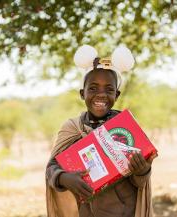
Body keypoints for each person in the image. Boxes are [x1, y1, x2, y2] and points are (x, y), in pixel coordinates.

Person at [46, 45, 155, 217]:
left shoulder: (127, 129)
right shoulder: (73, 128)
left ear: (117, 95)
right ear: (82, 93)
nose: (101, 94)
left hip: (125, 212)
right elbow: (51, 167)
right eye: (93, 88)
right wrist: (63, 178)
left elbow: (139, 181)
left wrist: (142, 171)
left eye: (109, 89)